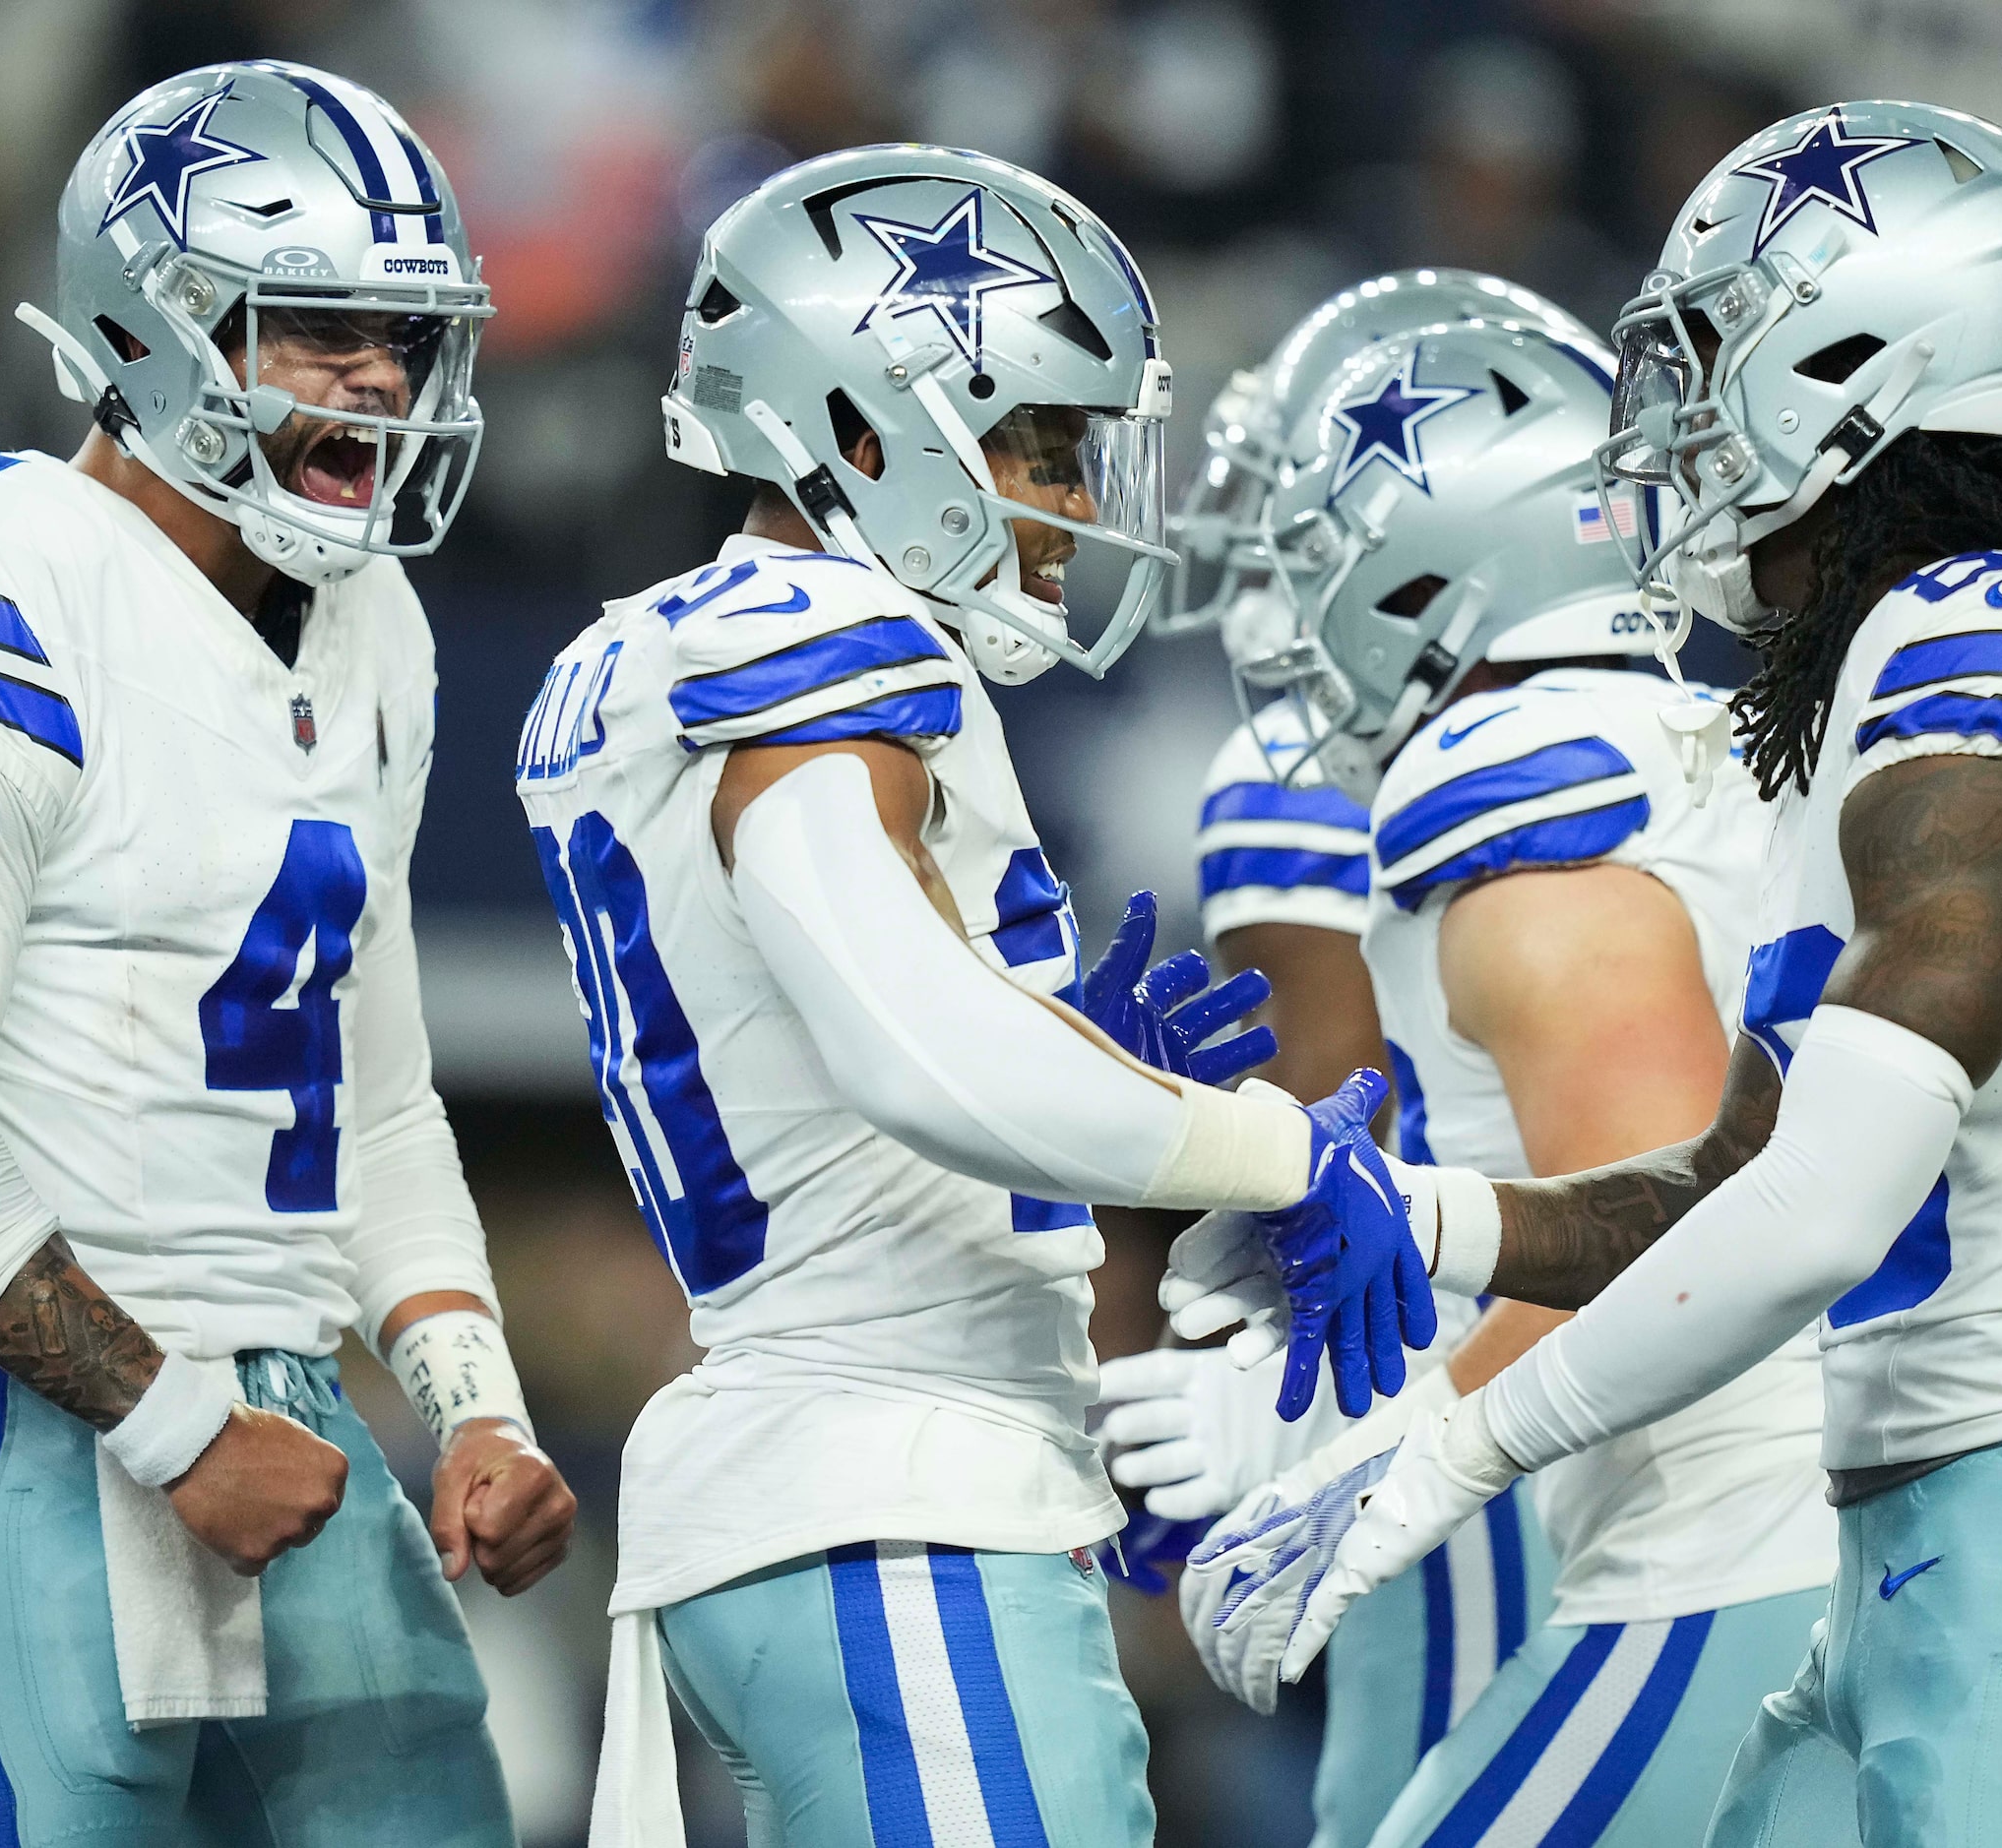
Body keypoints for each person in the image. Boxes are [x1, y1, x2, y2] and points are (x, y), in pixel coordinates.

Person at [1182, 101, 2002, 1846]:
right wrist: (1429, 1224)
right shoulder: (1886, 664)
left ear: (1857, 359)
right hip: (1896, 1528)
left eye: (1710, 357)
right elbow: (1722, 1173)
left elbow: (1819, 1210)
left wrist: (1443, 1453)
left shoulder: (1993, 640)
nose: (1668, 421)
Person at [532, 144, 1418, 1848]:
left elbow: (869, 1037)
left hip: (837, 1477)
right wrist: (1274, 1150)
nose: (1073, 500)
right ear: (855, 430)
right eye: (1037, 439)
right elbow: (907, 1042)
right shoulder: (823, 641)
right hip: (882, 1490)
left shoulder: (657, 650)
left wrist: (1071, 1064)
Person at [0, 63, 575, 1846]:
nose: (378, 378)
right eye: (316, 325)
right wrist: (174, 1430)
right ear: (152, 320)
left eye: (400, 332)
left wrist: (474, 1412)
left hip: (294, 1408)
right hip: (9, 1421)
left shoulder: (378, 623)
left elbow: (374, 1101)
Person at [1167, 311, 1840, 1845]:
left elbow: (1658, 1231)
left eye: (1320, 559)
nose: (1287, 619)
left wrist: (1391, 1455)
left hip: (1729, 1542)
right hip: (1801, 1526)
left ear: (1434, 568)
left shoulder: (1530, 834)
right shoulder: (1684, 748)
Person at [1103, 271, 1591, 1848]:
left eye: (1307, 522)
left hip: (1459, 1382)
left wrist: (1287, 1400)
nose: (1264, 583)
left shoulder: (1307, 766)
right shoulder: (1675, 748)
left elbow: (1335, 1141)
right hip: (1639, 1363)